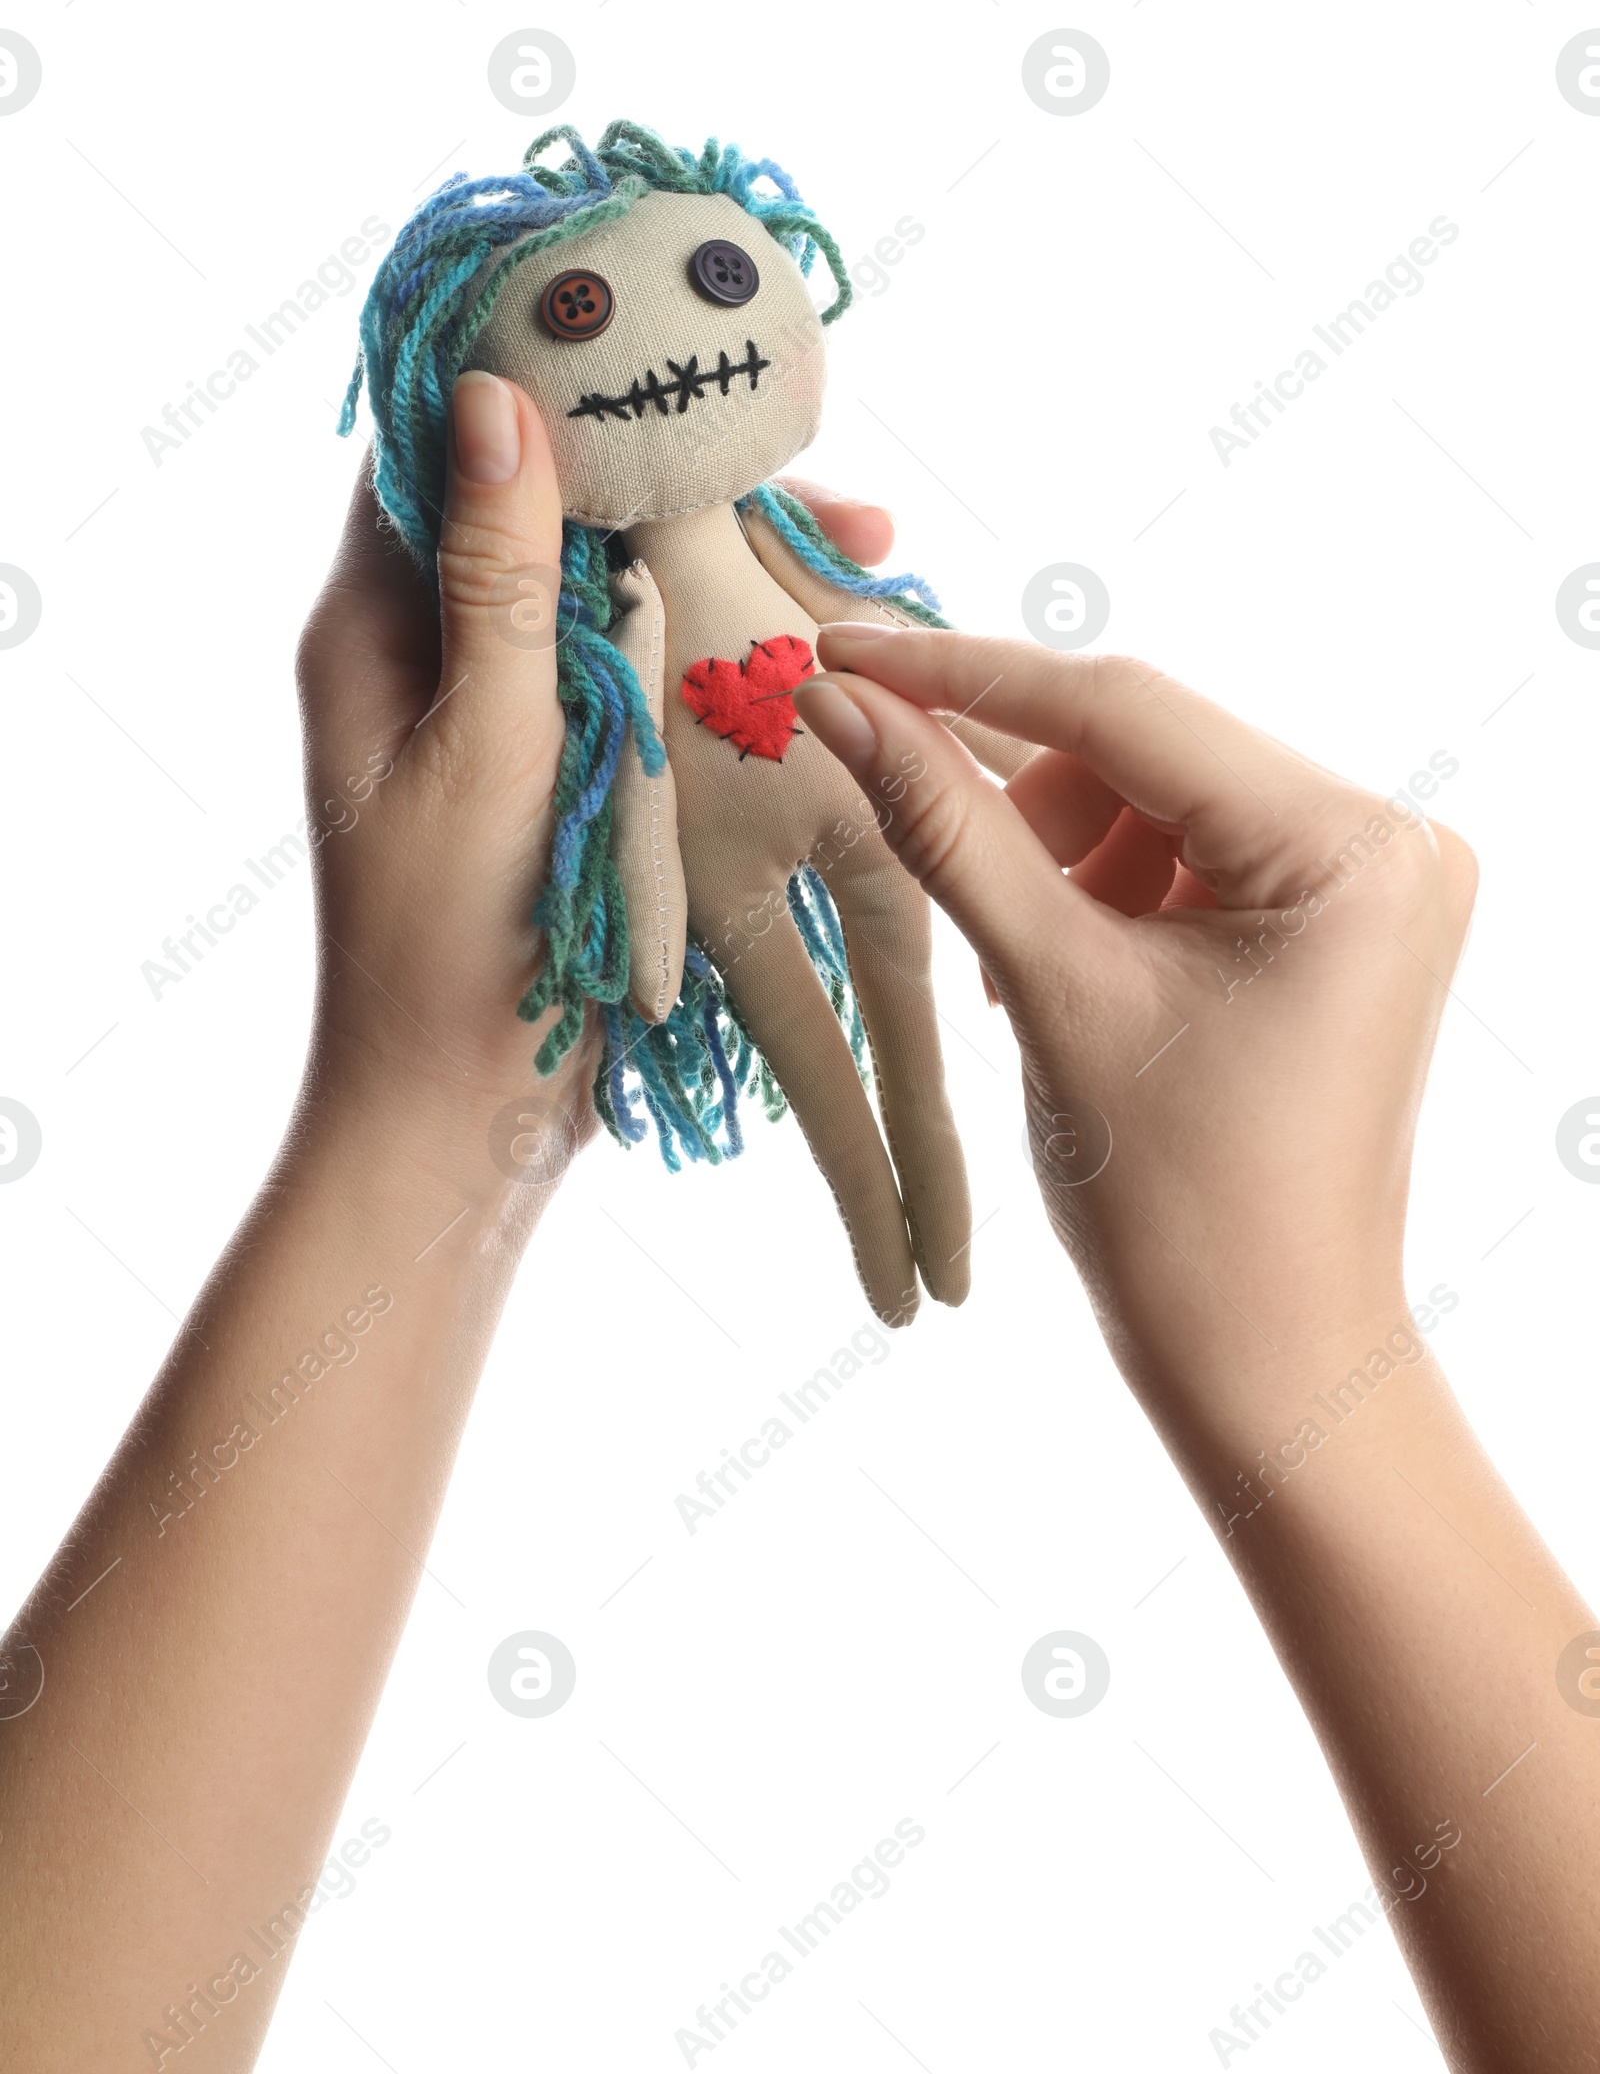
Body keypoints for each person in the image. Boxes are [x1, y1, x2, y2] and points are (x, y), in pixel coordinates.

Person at [1, 373, 1594, 2071]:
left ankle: (919, 1223)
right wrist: (1304, 1339)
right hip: (735, 817)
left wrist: (429, 1132)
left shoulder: (788, 593)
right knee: (850, 1033)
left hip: (814, 770)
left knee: (897, 1005)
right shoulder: (634, 615)